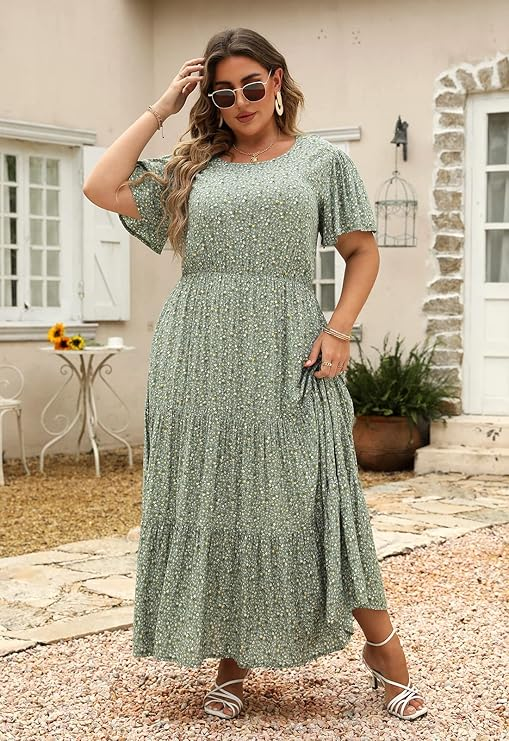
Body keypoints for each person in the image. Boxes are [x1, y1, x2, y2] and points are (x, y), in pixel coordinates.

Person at [83, 27, 427, 723]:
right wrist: (163, 104)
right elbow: (101, 184)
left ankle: (384, 652)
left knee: (316, 494)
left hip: (288, 348)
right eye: (222, 92)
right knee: (220, 502)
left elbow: (362, 253)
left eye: (249, 85)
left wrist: (338, 330)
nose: (239, 101)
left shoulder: (321, 161)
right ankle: (231, 663)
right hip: (197, 353)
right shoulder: (193, 168)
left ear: (275, 79)